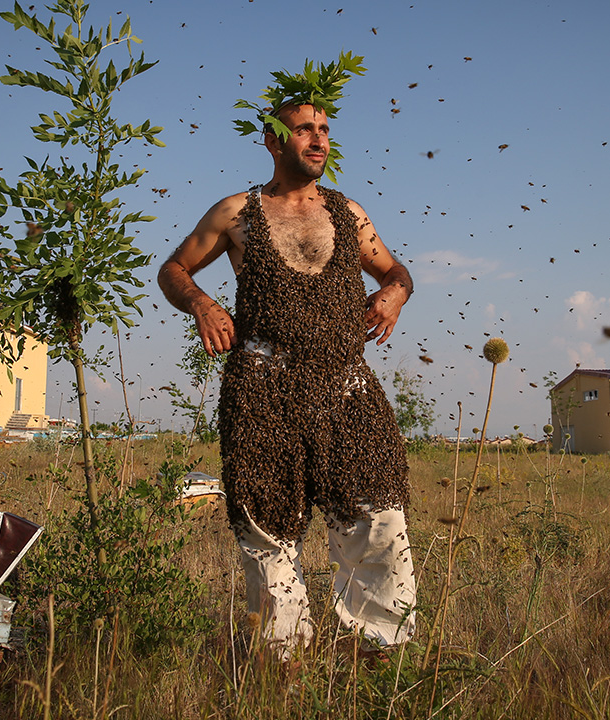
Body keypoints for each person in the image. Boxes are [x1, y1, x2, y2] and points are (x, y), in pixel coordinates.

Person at [157, 101, 417, 659]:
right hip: (263, 385)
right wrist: (202, 303)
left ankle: (377, 656)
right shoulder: (236, 213)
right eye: (305, 130)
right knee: (267, 528)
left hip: (345, 384)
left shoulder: (348, 214)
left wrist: (394, 292)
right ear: (275, 142)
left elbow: (395, 270)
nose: (319, 140)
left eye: (324, 130)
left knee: (377, 517)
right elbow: (173, 269)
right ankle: (282, 664)